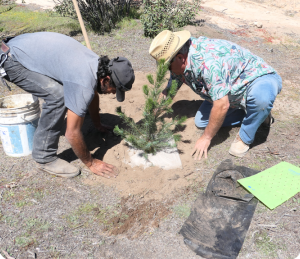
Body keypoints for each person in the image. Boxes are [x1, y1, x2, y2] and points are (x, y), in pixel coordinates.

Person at [0, 32, 135, 178]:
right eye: (113, 90)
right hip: (11, 59)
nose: (112, 93)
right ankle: (44, 157)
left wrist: (98, 124)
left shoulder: (95, 64)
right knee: (57, 97)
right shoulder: (83, 82)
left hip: (18, 46)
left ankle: (54, 130)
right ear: (106, 80)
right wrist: (91, 163)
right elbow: (72, 133)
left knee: (66, 92)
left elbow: (93, 93)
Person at [149, 30, 282, 160]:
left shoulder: (208, 64)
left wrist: (206, 138)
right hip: (229, 90)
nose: (167, 70)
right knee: (202, 121)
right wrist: (152, 114)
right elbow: (170, 90)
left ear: (180, 58)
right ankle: (257, 114)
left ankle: (246, 134)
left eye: (167, 67)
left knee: (260, 100)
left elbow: (222, 105)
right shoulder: (181, 57)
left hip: (257, 80)